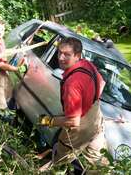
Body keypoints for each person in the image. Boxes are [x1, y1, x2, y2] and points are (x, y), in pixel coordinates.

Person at [38, 37, 108, 171]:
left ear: (77, 55)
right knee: (98, 164)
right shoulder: (87, 64)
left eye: (67, 54)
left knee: (60, 161)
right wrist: (88, 101)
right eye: (59, 52)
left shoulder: (72, 84)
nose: (60, 58)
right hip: (96, 119)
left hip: (81, 127)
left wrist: (49, 121)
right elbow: (102, 83)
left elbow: (73, 121)